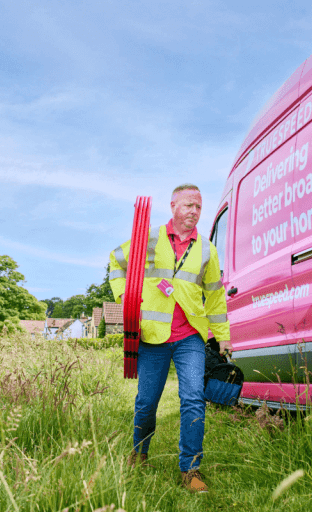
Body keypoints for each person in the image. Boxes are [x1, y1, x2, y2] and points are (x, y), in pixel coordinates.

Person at [108, 183, 232, 493]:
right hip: (152, 336)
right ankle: (140, 453)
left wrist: (224, 336)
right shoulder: (148, 238)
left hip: (190, 336)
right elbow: (115, 262)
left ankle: (190, 470)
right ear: (173, 205)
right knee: (147, 402)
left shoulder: (206, 249)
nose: (194, 211)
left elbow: (215, 295)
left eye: (199, 207)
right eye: (189, 205)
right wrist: (126, 297)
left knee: (193, 400)